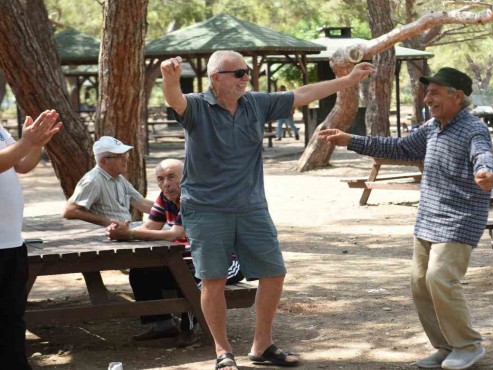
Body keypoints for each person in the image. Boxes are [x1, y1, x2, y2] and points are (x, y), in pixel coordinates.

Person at [160, 50, 373, 370]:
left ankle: (262, 345)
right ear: (215, 78)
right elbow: (174, 99)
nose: (246, 77)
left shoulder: (255, 103)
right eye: (238, 73)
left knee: (274, 273)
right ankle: (223, 351)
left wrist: (348, 80)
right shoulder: (197, 106)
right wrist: (170, 78)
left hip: (251, 206)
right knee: (214, 279)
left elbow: (303, 93)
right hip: (206, 209)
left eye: (247, 71)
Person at [320, 67, 493, 370]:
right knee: (420, 283)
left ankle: (468, 345)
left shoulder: (474, 129)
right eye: (427, 93)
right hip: (428, 217)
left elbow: (483, 153)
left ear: (457, 96)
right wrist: (350, 140)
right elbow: (399, 148)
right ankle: (445, 346)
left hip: (460, 218)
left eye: (435, 93)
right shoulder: (432, 127)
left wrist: (485, 171)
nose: (427, 99)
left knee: (439, 278)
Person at [106, 159, 243, 346]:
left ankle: (189, 328)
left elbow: (174, 234)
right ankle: (164, 326)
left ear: (186, 177)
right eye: (160, 179)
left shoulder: (194, 196)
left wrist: (129, 234)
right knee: (141, 272)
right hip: (190, 259)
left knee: (191, 279)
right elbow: (150, 226)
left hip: (224, 262)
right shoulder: (165, 198)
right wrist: (123, 230)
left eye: (171, 177)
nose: (166, 183)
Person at [0, 110, 61, 370]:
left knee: (12, 317)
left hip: (12, 242)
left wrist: (36, 145)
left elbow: (22, 165)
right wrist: (27, 141)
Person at [63, 136, 153, 226]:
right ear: (103, 161)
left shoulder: (119, 178)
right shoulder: (93, 181)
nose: (126, 159)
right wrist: (105, 221)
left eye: (125, 155)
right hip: (109, 232)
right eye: (120, 156)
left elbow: (143, 203)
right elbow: (70, 210)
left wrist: (162, 212)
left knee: (160, 226)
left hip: (127, 228)